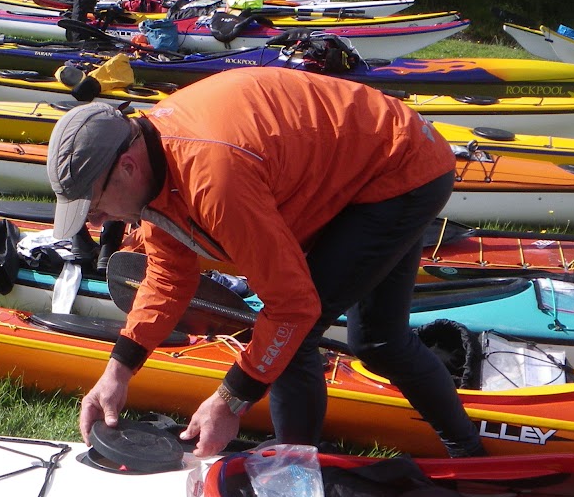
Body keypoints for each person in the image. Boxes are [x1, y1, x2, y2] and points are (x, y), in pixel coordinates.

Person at [46, 67, 486, 460]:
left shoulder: (214, 180)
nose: (96, 222)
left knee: (294, 340)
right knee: (377, 341)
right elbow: (167, 275)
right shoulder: (153, 164)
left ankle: (295, 478)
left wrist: (229, 401)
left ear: (126, 167)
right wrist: (117, 371)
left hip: (398, 166)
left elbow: (293, 308)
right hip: (371, 157)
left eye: (95, 205)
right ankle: (468, 450)